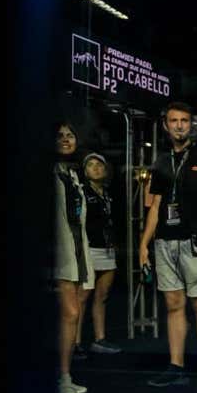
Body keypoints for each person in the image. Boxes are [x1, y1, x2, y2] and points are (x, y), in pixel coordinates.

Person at [138, 101, 197, 389]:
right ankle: (175, 364)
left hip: (196, 240)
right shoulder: (162, 161)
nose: (179, 125)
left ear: (192, 124)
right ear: (166, 125)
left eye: (184, 120)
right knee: (173, 304)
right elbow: (155, 206)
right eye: (174, 120)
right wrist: (143, 244)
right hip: (165, 241)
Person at [53, 123, 94, 393]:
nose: (66, 139)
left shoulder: (72, 173)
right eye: (60, 136)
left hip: (75, 250)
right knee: (68, 313)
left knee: (72, 314)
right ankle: (58, 380)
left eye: (71, 134)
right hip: (56, 254)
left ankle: (64, 377)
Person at [76, 152, 122, 355]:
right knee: (82, 297)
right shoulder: (81, 192)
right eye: (91, 165)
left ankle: (100, 339)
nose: (96, 168)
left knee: (102, 296)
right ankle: (75, 342)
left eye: (99, 165)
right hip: (89, 248)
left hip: (108, 249)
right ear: (85, 171)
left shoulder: (108, 194)